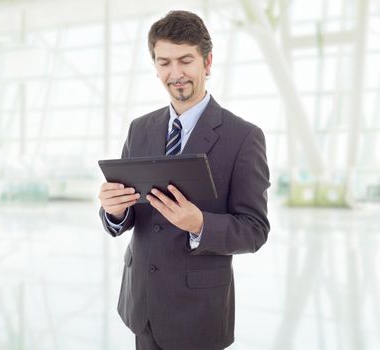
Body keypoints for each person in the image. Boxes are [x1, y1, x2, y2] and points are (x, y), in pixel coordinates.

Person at [98, 10, 270, 350]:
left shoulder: (244, 137)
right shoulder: (140, 129)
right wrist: (113, 211)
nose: (175, 74)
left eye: (185, 60)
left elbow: (255, 229)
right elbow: (131, 212)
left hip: (199, 314)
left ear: (207, 62)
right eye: (164, 63)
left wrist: (200, 224)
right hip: (142, 304)